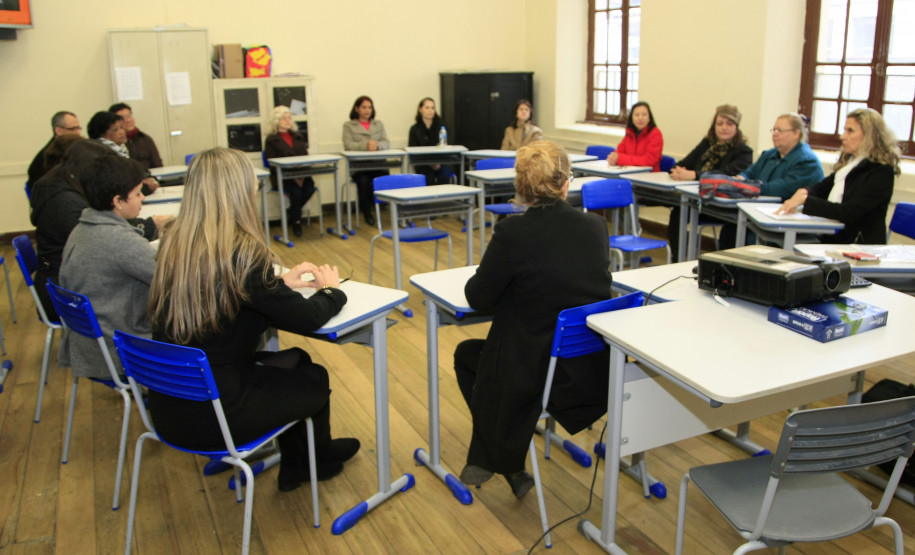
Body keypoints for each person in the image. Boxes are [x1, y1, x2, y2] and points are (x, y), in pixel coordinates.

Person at [147, 147, 360, 492]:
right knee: (315, 379)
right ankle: (310, 463)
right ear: (240, 192)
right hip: (218, 414)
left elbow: (231, 293)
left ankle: (304, 461)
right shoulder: (243, 252)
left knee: (298, 362)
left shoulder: (175, 242)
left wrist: (277, 285)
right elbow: (307, 318)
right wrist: (331, 291)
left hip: (171, 405)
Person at [454, 140, 614, 499]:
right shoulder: (594, 227)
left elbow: (478, 297)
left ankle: (506, 457)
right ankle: (507, 454)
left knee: (468, 356)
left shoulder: (514, 232)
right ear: (564, 183)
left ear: (521, 188)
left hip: (530, 377)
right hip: (585, 373)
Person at [29, 139, 163, 321]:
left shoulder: (85, 219)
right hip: (117, 332)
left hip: (89, 318)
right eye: (138, 194)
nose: (142, 198)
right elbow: (167, 279)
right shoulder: (115, 238)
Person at [58, 156, 156, 379]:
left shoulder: (83, 228)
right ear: (117, 201)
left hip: (93, 344)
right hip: (121, 348)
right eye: (138, 193)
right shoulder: (119, 240)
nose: (142, 199)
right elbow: (173, 279)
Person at [777, 108, 900, 244]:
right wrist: (804, 191)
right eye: (844, 130)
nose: (842, 136)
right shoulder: (850, 164)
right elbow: (822, 187)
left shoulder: (881, 172)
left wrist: (807, 200)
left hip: (860, 245)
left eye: (850, 131)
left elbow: (849, 211)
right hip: (836, 238)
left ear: (869, 135)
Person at [717, 113, 825, 249]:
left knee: (738, 231)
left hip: (786, 219)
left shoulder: (806, 161)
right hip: (760, 210)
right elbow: (751, 172)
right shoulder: (770, 154)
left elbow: (781, 188)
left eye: (780, 130)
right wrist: (740, 178)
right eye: (774, 130)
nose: (775, 134)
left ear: (797, 133)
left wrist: (747, 186)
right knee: (730, 229)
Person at [668, 104, 753, 260]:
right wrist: (678, 171)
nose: (723, 128)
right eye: (719, 124)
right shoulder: (707, 144)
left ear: (737, 127)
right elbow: (684, 162)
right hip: (700, 201)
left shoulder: (744, 152)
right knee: (678, 211)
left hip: (724, 207)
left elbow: (725, 175)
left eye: (729, 124)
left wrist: (694, 174)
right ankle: (677, 258)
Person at [264, 105, 316, 237]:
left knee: (309, 188)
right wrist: (292, 174)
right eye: (284, 118)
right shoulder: (271, 139)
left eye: (289, 118)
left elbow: (305, 156)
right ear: (276, 121)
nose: (288, 121)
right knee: (296, 192)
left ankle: (292, 212)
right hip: (283, 176)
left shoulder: (298, 136)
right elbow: (272, 162)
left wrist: (301, 175)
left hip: (302, 174)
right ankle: (296, 221)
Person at [342, 96, 389, 226]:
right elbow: (348, 145)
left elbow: (386, 142)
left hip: (378, 164)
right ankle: (366, 211)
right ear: (357, 109)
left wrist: (378, 146)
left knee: (384, 178)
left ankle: (385, 209)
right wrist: (365, 146)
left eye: (369, 107)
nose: (367, 110)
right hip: (359, 167)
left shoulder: (378, 124)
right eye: (364, 107)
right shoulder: (349, 125)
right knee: (363, 181)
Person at [89, 110, 159, 194]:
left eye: (122, 127)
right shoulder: (103, 154)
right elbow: (121, 187)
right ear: (101, 134)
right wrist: (146, 186)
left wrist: (151, 180)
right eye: (115, 130)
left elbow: (142, 173)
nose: (122, 132)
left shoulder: (122, 150)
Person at [28, 111, 81, 185]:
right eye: (73, 129)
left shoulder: (71, 150)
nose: (78, 132)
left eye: (79, 128)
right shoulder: (50, 156)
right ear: (58, 131)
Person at [607, 101, 663, 171]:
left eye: (644, 115)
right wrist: (613, 157)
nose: (640, 118)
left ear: (649, 118)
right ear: (632, 118)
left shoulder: (655, 134)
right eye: (637, 115)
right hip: (629, 173)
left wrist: (620, 159)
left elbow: (649, 160)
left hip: (649, 176)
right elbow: (620, 151)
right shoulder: (630, 133)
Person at [408, 97, 452, 185]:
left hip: (441, 162)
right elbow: (412, 151)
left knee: (444, 175)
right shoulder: (414, 129)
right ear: (420, 109)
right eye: (427, 108)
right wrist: (429, 163)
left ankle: (444, 199)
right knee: (427, 177)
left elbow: (448, 146)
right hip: (422, 164)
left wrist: (438, 163)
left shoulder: (442, 126)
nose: (430, 111)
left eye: (432, 108)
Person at [109, 102, 163, 171]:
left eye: (129, 116)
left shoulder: (145, 139)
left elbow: (157, 165)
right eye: (123, 118)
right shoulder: (114, 142)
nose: (128, 120)